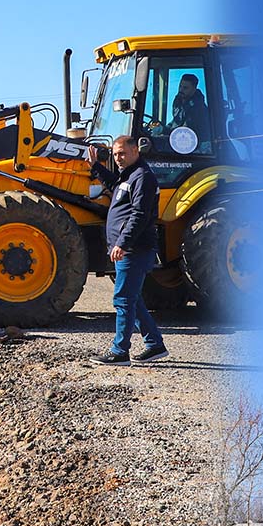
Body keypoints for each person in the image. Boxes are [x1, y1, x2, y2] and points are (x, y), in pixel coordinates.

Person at [86, 136, 168, 365]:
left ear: (135, 151)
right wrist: (96, 167)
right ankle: (155, 345)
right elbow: (116, 187)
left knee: (123, 299)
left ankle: (119, 351)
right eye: (114, 154)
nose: (118, 158)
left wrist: (123, 243)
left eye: (122, 153)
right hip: (127, 247)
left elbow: (139, 215)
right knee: (132, 299)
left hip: (135, 249)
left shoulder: (143, 177)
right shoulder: (129, 176)